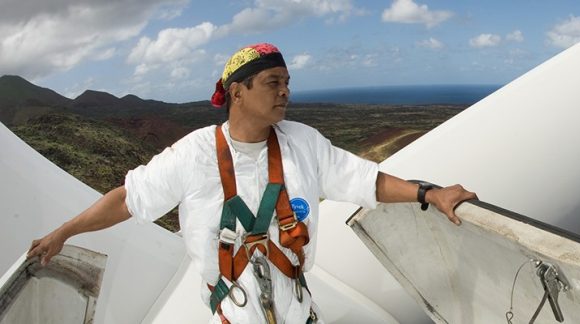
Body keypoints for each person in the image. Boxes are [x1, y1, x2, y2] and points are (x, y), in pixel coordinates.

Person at [27, 43, 477, 323]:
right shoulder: (193, 153)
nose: (285, 92)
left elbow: (364, 181)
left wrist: (429, 193)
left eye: (287, 83)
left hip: (299, 313)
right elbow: (129, 200)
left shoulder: (302, 143)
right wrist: (63, 233)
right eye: (273, 82)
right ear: (237, 91)